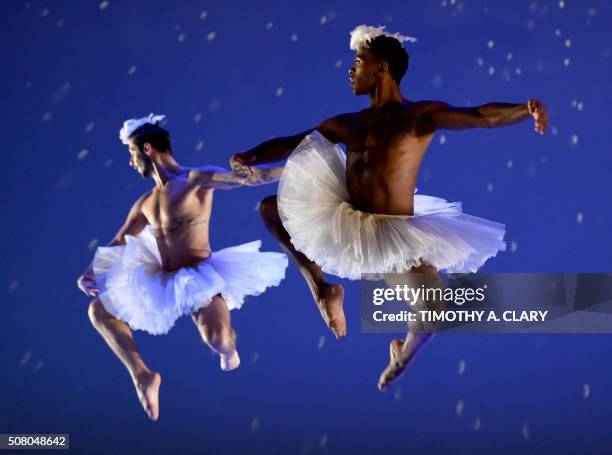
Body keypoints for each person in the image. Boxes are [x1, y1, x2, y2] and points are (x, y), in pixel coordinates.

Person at [230, 25, 548, 390]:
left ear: (380, 68)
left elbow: (480, 115)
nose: (351, 70)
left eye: (358, 62)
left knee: (434, 311)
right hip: (344, 219)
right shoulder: (349, 123)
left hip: (393, 235)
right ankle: (322, 289)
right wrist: (251, 154)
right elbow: (294, 141)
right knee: (270, 208)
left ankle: (403, 355)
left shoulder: (417, 116)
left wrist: (525, 110)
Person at [77, 114, 288, 421]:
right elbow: (120, 240)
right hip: (161, 280)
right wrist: (89, 272)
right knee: (98, 310)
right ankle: (142, 376)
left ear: (147, 149)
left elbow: (250, 178)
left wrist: (291, 169)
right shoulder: (145, 203)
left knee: (218, 341)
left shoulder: (195, 180)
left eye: (132, 154)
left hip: (200, 275)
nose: (131, 162)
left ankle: (230, 351)